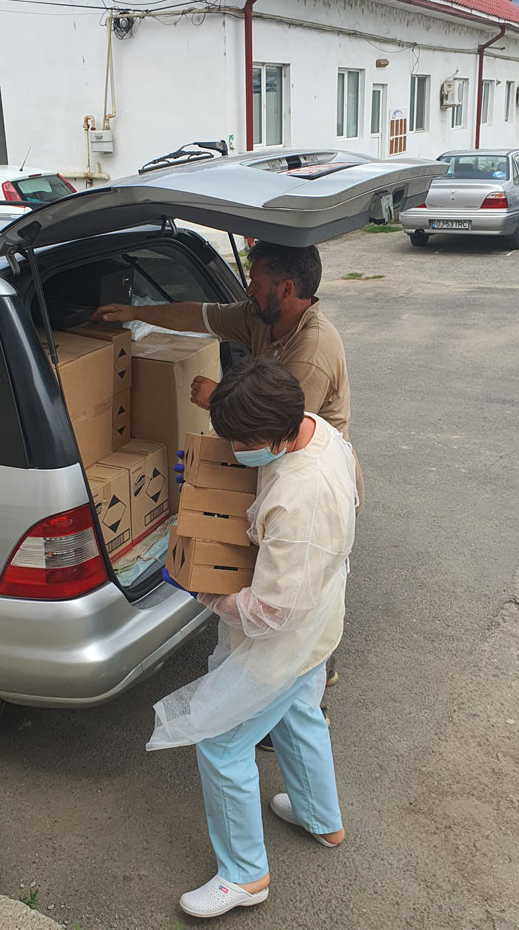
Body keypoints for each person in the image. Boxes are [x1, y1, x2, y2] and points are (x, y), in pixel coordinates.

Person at [91, 240, 363, 703]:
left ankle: (309, 677)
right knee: (276, 593)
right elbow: (200, 316)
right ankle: (293, 686)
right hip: (276, 464)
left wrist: (217, 402)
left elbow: (273, 432)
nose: (248, 291)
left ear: (286, 289)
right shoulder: (263, 314)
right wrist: (132, 313)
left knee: (297, 602)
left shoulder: (311, 352)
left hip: (312, 484)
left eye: (256, 283)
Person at [147, 359, 358, 918]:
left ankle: (245, 875)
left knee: (221, 742)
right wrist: (211, 480)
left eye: (243, 443)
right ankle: (321, 819)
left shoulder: (301, 500)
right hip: (319, 619)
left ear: (278, 435)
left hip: (287, 637)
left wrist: (204, 591)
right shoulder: (315, 428)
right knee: (300, 713)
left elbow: (269, 613)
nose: (236, 450)